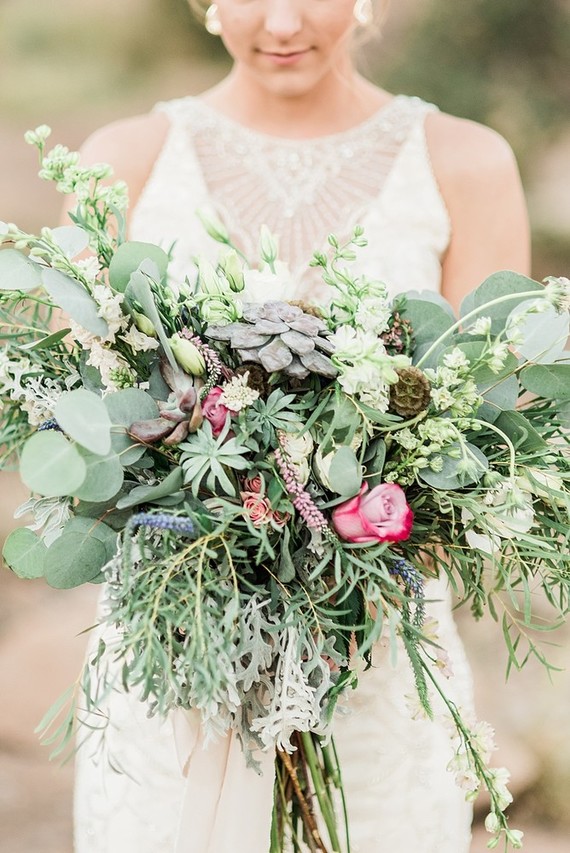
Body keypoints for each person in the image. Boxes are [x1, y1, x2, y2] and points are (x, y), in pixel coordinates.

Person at [70, 2, 531, 851]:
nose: (282, 22)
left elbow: (488, 411)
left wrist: (333, 558)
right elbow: (83, 407)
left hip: (377, 637)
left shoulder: (465, 161)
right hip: (177, 627)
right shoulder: (124, 160)